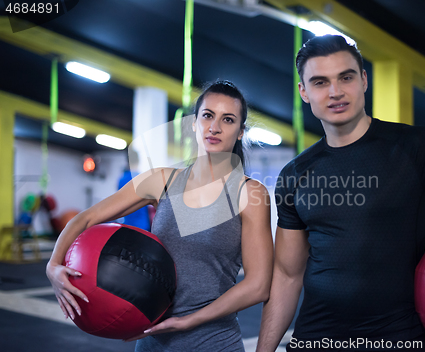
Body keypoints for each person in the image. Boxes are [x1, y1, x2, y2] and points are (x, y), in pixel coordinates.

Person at [256, 35, 425, 352]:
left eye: (346, 77)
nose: (335, 92)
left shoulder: (421, 147)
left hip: (397, 339)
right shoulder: (295, 174)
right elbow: (288, 275)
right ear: (304, 92)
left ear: (364, 80)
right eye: (320, 82)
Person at [46, 80, 273, 352]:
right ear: (193, 123)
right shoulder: (162, 180)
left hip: (212, 342)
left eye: (228, 119)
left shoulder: (249, 194)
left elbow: (258, 285)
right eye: (207, 116)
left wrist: (189, 321)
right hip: (152, 342)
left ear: (239, 132)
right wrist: (52, 265)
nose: (214, 127)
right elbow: (86, 218)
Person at [117, 149, 151, 231]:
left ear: (127, 161)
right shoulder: (144, 178)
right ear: (138, 160)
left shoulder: (122, 180)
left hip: (128, 225)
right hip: (143, 225)